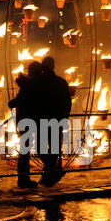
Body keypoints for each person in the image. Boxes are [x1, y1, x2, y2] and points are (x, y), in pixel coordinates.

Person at [37, 56, 72, 186]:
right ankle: (52, 171)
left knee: (40, 146)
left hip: (41, 119)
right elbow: (67, 101)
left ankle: (50, 172)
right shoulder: (61, 82)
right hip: (57, 119)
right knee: (55, 147)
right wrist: (65, 115)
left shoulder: (38, 82)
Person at [8, 61, 42, 188]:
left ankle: (24, 179)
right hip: (31, 121)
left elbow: (15, 102)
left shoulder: (26, 86)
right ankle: (23, 179)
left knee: (25, 151)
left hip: (24, 121)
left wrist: (14, 102)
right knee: (26, 151)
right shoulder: (33, 86)